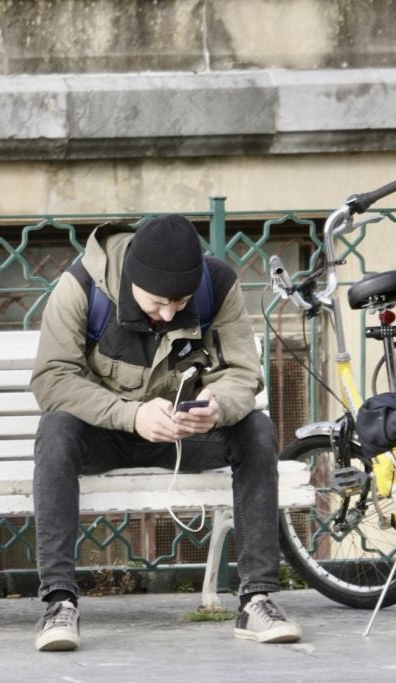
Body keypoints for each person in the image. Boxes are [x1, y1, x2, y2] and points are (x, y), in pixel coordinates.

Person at [29, 214, 301, 652]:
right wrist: (131, 415)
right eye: (158, 302)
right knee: (56, 430)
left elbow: (243, 373)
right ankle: (59, 604)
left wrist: (216, 406)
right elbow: (52, 380)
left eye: (181, 301)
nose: (170, 312)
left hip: (184, 433)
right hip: (109, 432)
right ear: (133, 279)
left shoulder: (219, 285)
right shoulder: (80, 288)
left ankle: (257, 598)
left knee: (256, 429)